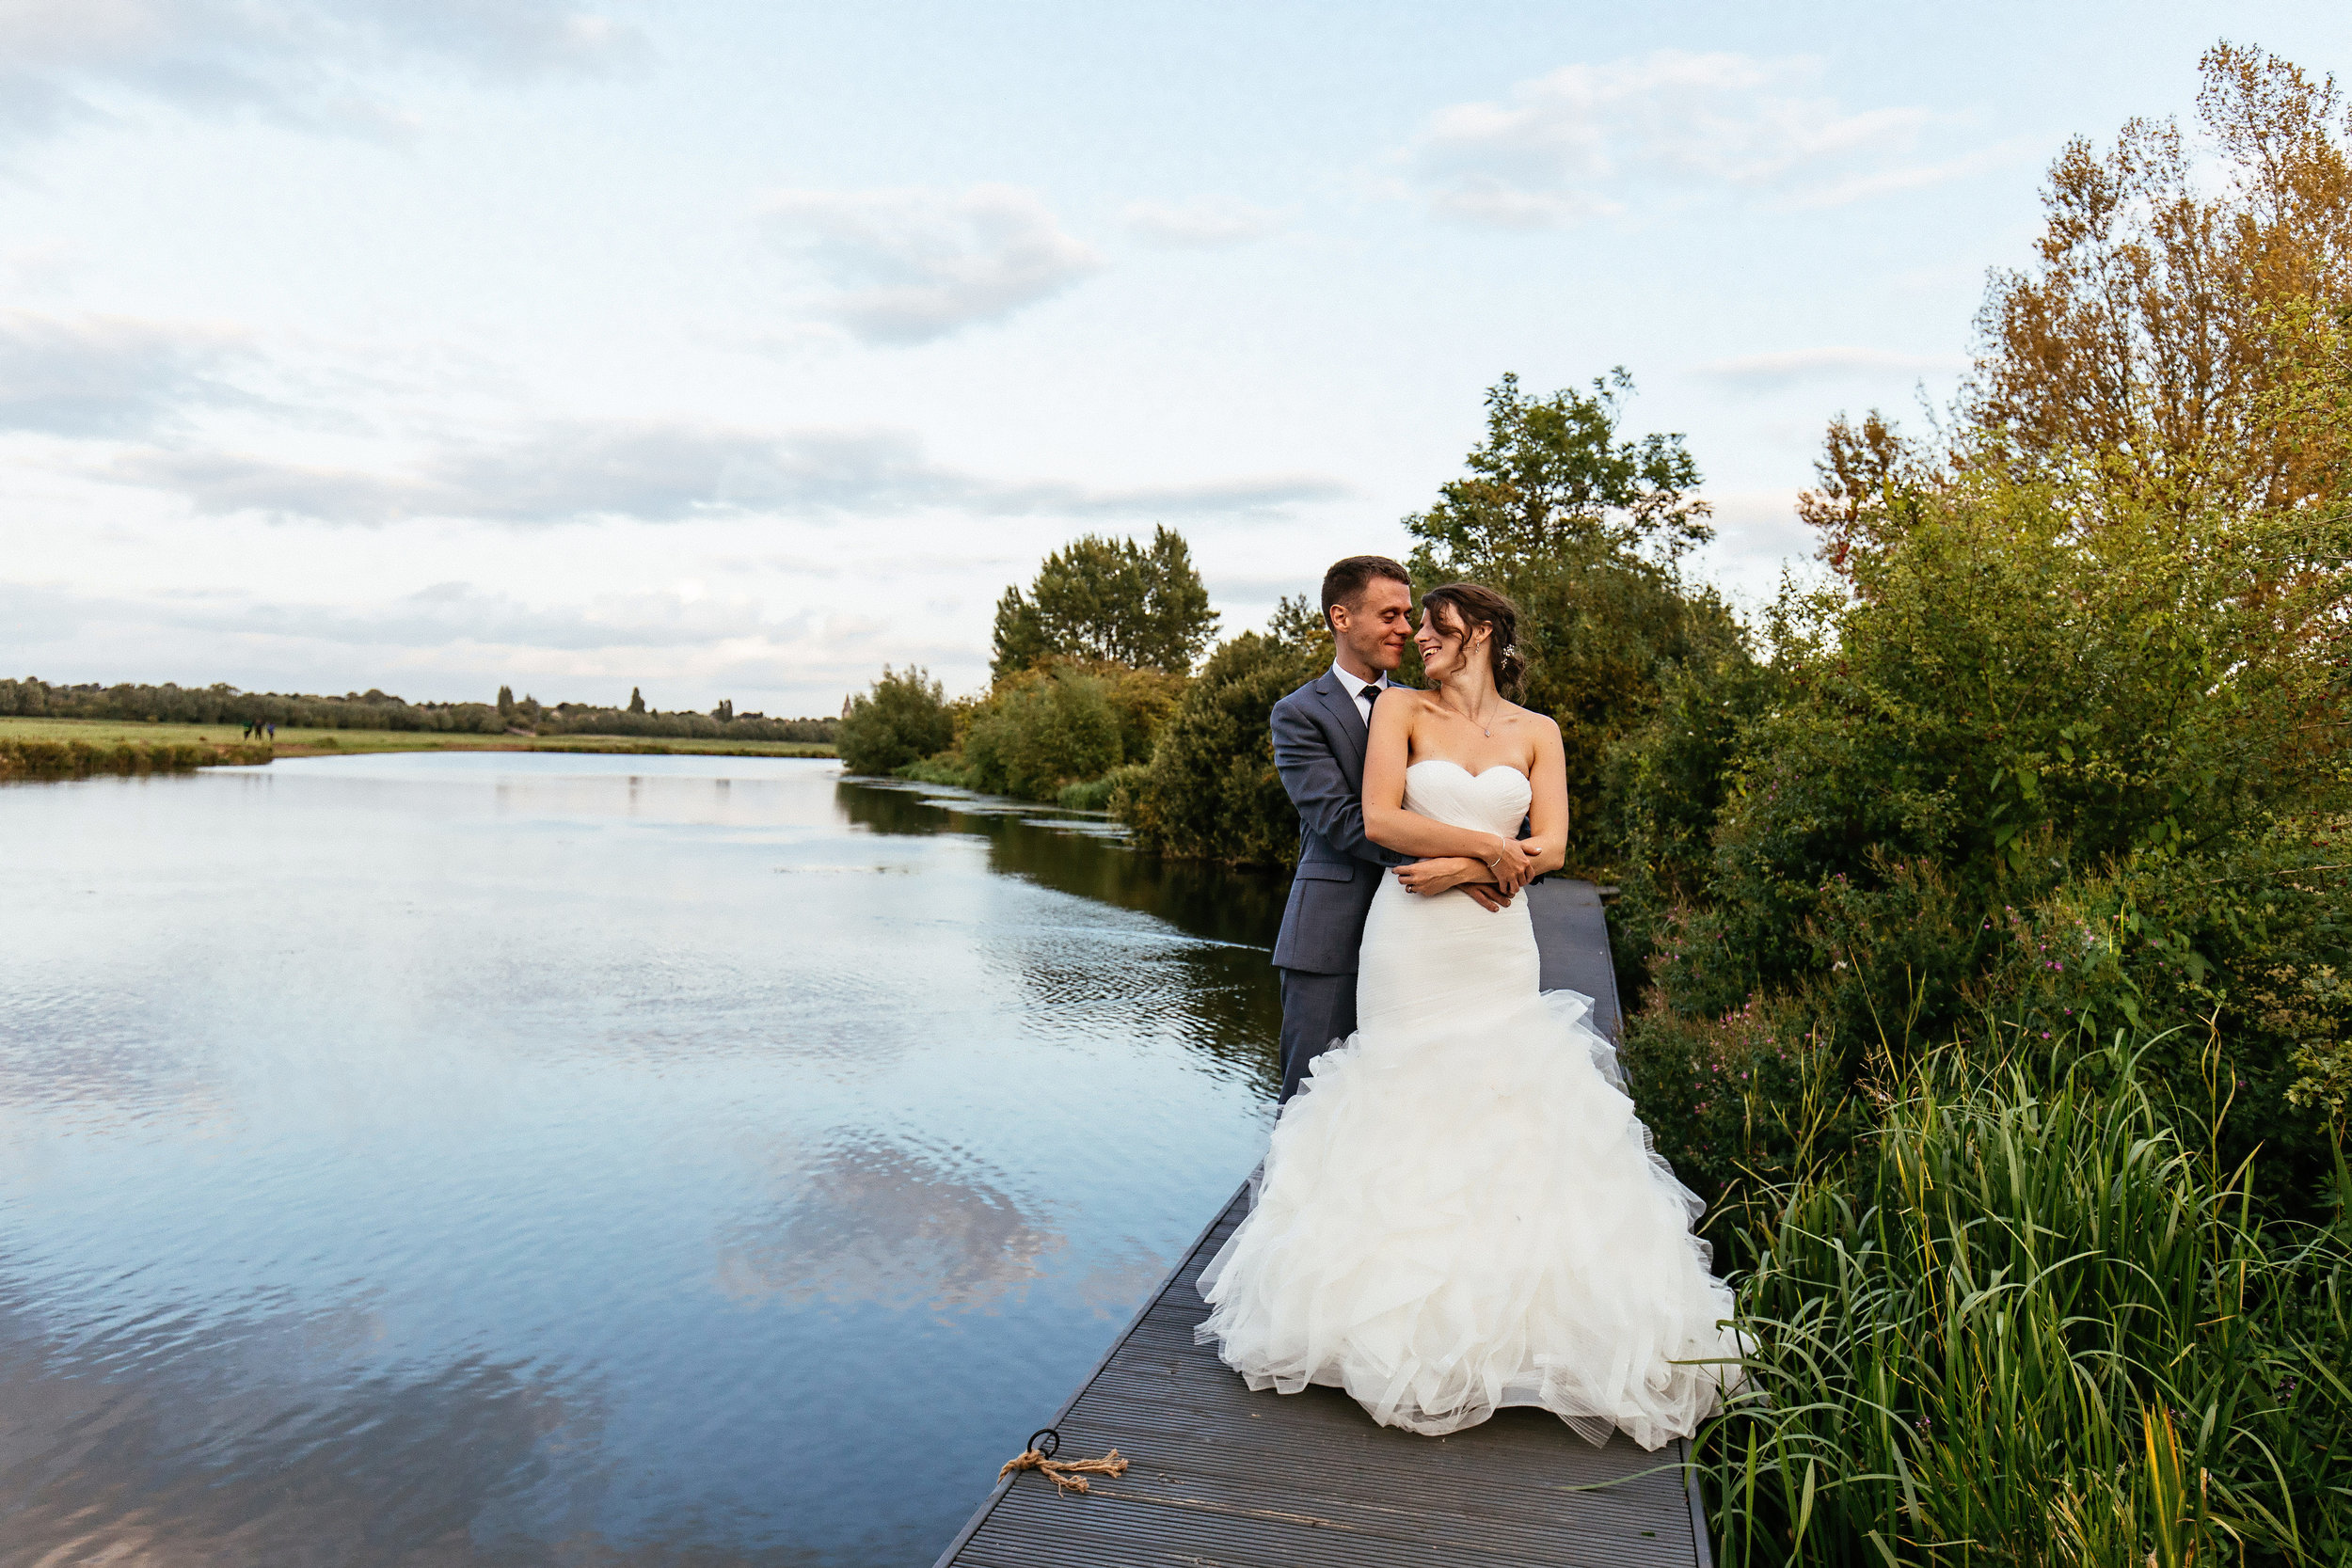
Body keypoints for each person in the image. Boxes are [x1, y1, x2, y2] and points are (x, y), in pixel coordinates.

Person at [1199, 580, 1740, 1448]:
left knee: (1504, 1102)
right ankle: (1382, 1320)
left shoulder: (1541, 732)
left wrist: (1466, 869)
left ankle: (1511, 1322)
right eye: (1412, 626)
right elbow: (1379, 817)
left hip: (1494, 937)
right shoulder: (1401, 712)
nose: (1419, 639)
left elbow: (1555, 844)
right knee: (1406, 1096)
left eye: (1436, 627)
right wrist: (1487, 846)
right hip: (1410, 941)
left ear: (1480, 630)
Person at [1264, 556, 1521, 1102]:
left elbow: (1487, 810)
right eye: (1390, 615)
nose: (1407, 628)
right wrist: (1459, 866)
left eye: (1409, 614)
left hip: (1427, 940)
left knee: (1410, 1099)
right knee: (1311, 1103)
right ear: (1341, 617)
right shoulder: (1299, 713)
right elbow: (1340, 820)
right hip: (1330, 936)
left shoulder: (1425, 705)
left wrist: (1469, 867)